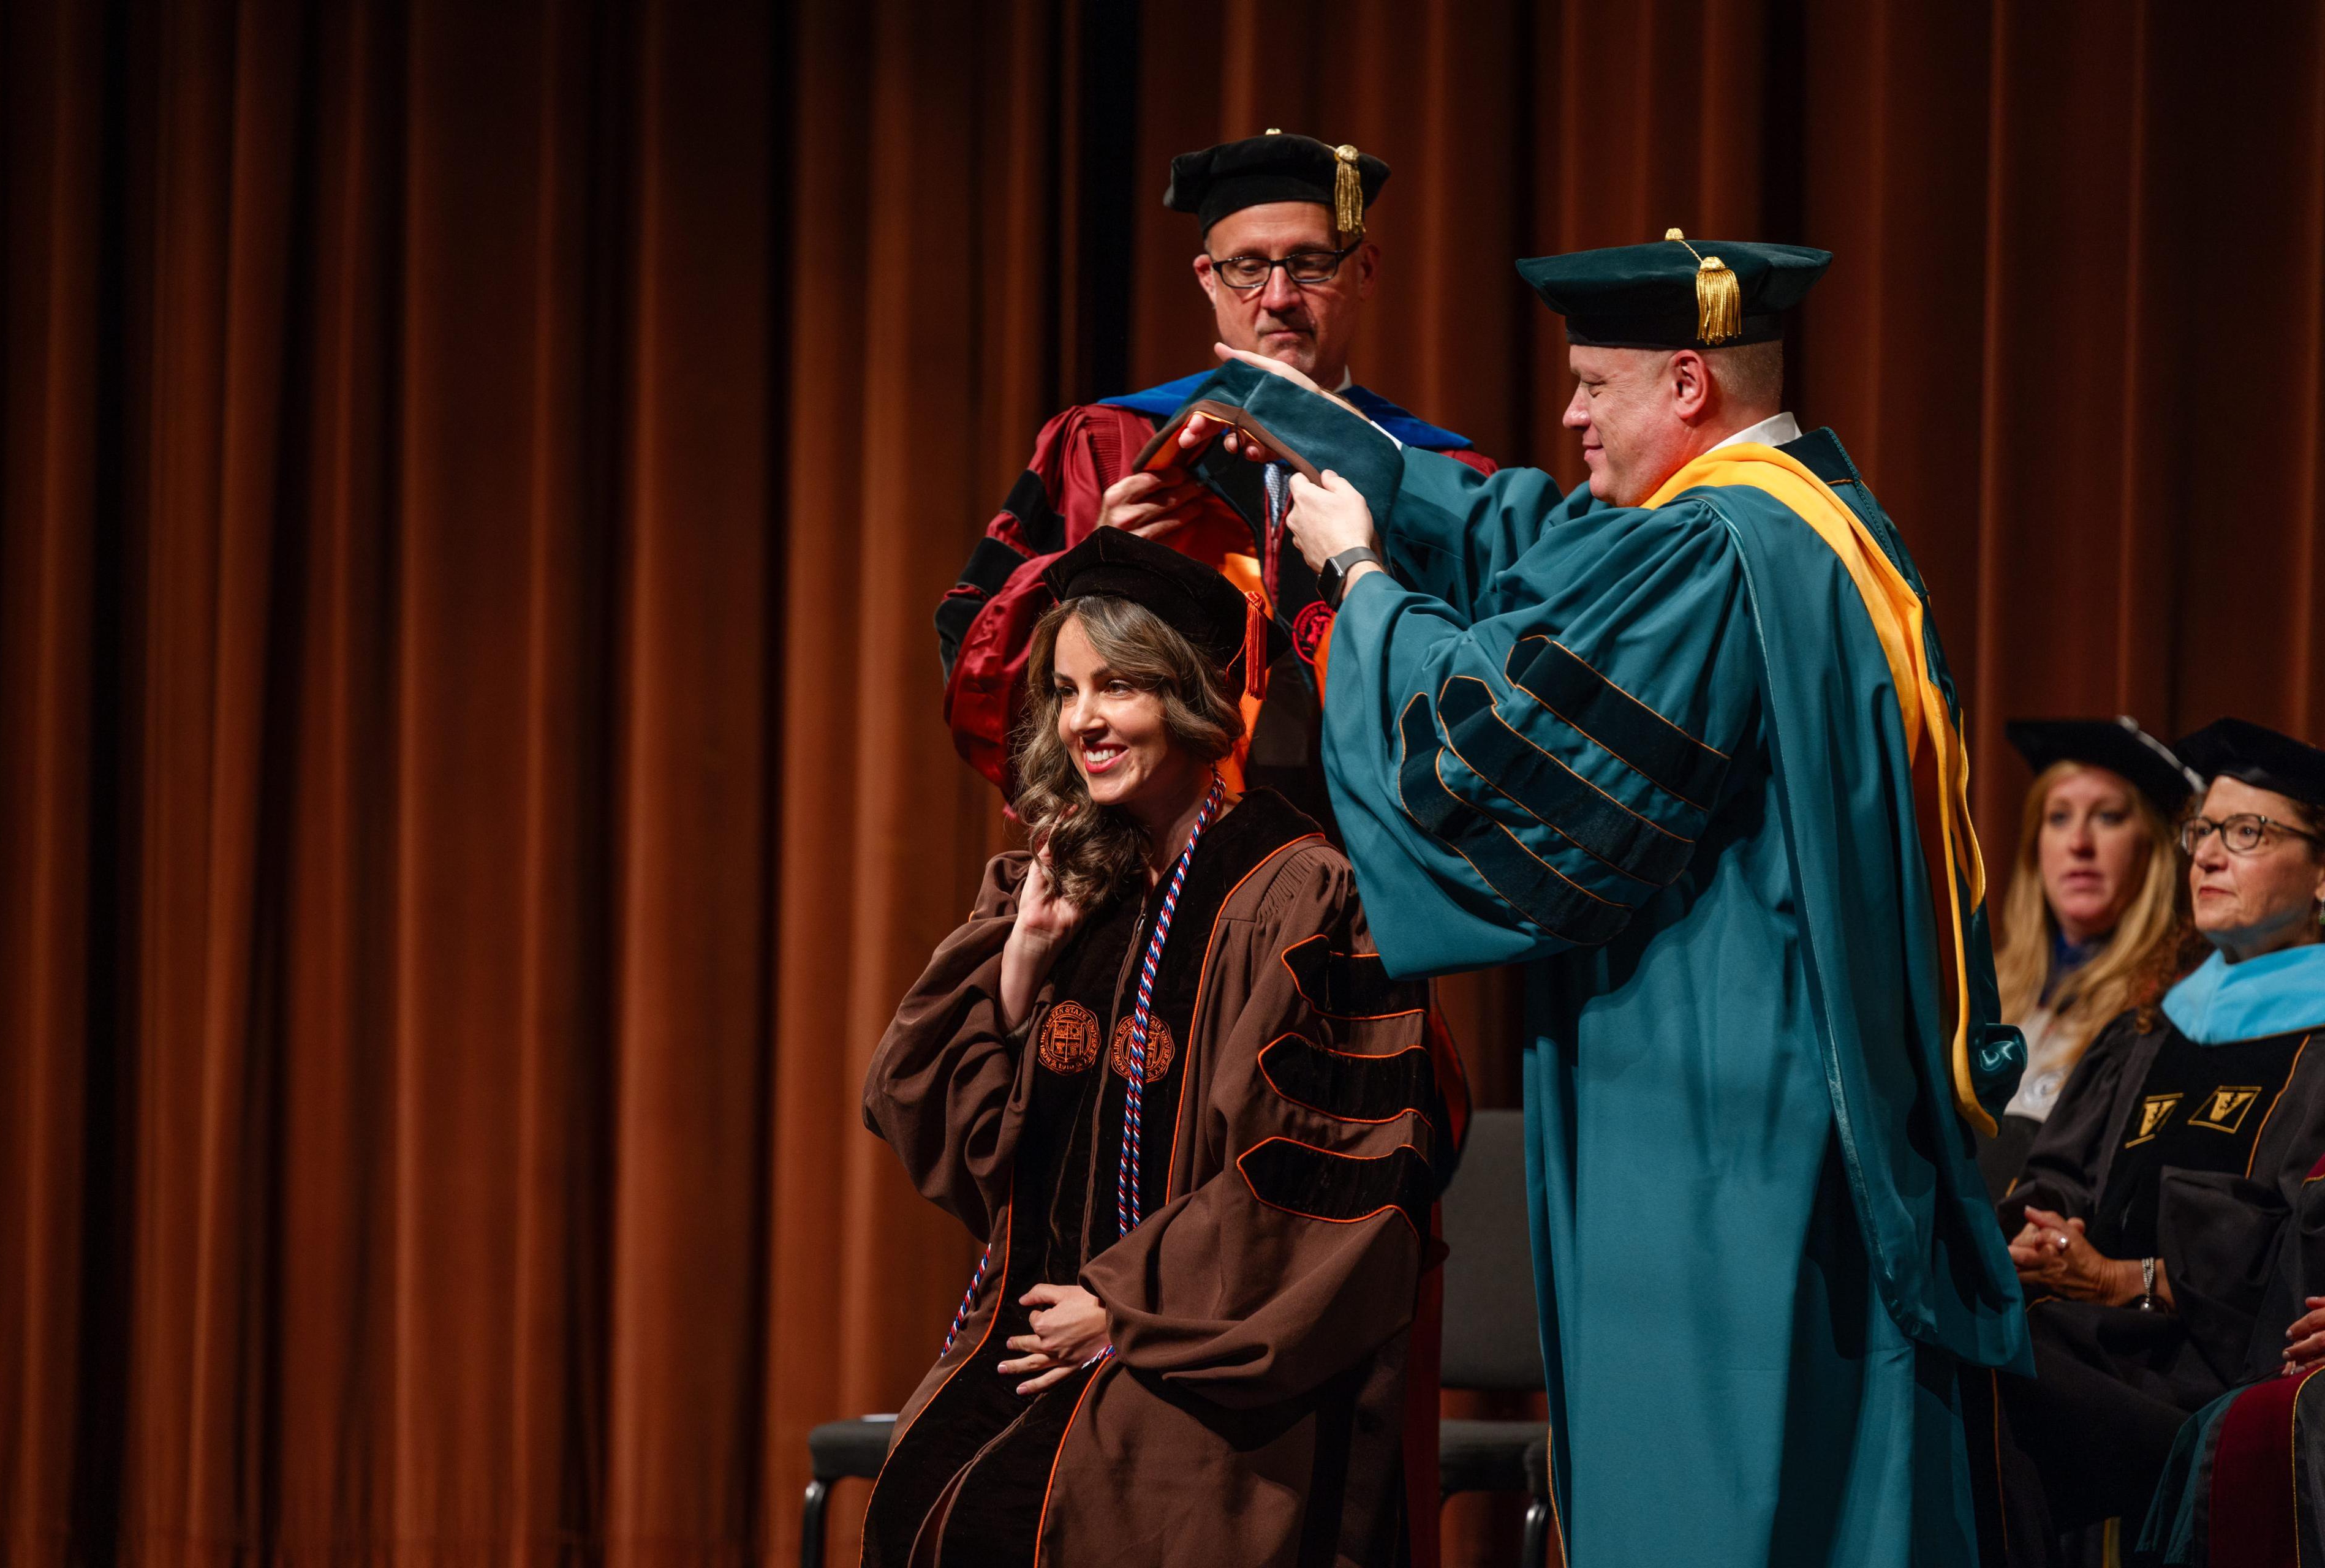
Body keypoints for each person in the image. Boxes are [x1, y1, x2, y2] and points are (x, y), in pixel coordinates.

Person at [1161, 232, 2030, 1565]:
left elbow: (1500, 749)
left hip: (1713, 1104)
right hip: (1801, 1093)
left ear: (1685, 383)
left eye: (1590, 386)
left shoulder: (1712, 553)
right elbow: (1550, 544)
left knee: (1717, 1489)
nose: (1565, 417)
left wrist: (1362, 579)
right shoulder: (1814, 517)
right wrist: (1328, 438)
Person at [863, 529, 1464, 1568]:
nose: (1083, 720)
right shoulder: (1059, 885)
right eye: (1063, 691)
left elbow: (1316, 1201)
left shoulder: (1297, 896)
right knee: (922, 1502)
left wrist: (1123, 1311)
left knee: (1076, 1520)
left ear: (1189, 695)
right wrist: (1016, 969)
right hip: (1028, 1353)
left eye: (1118, 688)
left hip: (1211, 1367)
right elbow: (953, 1142)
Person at [936, 130, 1498, 829]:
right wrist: (1087, 566)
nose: (1279, 296)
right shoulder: (1107, 447)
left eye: (1311, 263)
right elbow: (977, 658)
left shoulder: (1439, 478)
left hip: (1374, 866)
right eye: (1246, 267)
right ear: (1205, 276)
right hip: (1154, 862)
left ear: (1366, 271)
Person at [1992, 719, 2325, 1568]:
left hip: (2202, 1370)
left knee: (1984, 1376)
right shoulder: (2149, 1027)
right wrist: (2041, 1233)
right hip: (2095, 1346)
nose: (2208, 856)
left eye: (2246, 833)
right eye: (2202, 831)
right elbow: (2057, 1176)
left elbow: (2293, 1251)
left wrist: (2129, 1280)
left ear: (2322, 874)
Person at [1980, 718, 2203, 1196]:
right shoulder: (1983, 996)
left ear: (2150, 848)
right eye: (2058, 817)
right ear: (2034, 847)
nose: (2078, 844)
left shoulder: (2167, 1011)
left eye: (2108, 817)